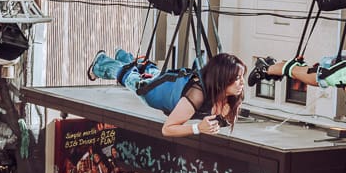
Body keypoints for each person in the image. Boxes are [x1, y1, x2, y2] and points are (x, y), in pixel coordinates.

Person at [88, 50, 246, 138]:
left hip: (170, 82)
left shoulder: (234, 95)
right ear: (222, 79)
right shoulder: (197, 95)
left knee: (149, 71)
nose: (242, 83)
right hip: (153, 92)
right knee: (128, 76)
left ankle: (123, 57)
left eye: (242, 77)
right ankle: (100, 64)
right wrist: (197, 128)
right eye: (237, 78)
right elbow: (168, 129)